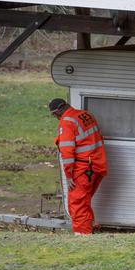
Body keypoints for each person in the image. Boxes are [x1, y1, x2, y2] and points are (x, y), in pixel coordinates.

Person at [49, 98, 108, 235]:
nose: (56, 118)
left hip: (84, 169)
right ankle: (91, 230)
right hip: (97, 166)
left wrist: (69, 176)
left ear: (58, 111)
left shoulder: (67, 122)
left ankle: (82, 238)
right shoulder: (85, 115)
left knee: (77, 204)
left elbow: (67, 151)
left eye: (54, 115)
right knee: (84, 201)